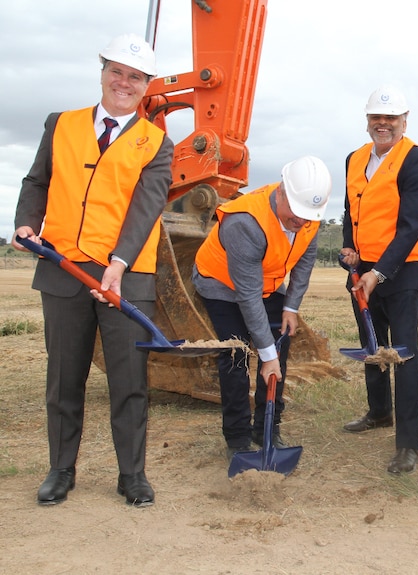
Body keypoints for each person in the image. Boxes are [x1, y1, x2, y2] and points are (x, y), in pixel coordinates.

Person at [12, 34, 173, 506]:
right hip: (62, 267)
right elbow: (36, 180)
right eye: (117, 71)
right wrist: (26, 223)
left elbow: (145, 209)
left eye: (136, 76)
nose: (124, 82)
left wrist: (118, 264)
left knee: (129, 380)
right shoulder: (59, 124)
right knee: (64, 376)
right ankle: (61, 470)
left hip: (127, 275)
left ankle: (132, 475)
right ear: (102, 71)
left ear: (146, 86)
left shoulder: (157, 144)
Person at [193, 156, 332, 461]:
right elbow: (247, 295)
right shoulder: (245, 222)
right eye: (296, 214)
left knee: (278, 344)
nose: (302, 223)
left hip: (266, 282)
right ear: (281, 192)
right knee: (236, 353)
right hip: (221, 284)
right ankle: (238, 436)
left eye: (308, 217)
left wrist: (291, 307)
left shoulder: (309, 214)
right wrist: (265, 356)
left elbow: (304, 263)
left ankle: (267, 427)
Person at [339, 85, 418, 474]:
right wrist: (351, 249)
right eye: (376, 118)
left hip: (404, 269)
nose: (383, 124)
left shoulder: (417, 160)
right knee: (371, 344)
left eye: (390, 118)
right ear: (368, 121)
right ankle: (379, 412)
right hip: (363, 270)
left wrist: (379, 272)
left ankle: (408, 445)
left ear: (404, 121)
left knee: (402, 352)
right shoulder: (354, 158)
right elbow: (351, 208)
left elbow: (412, 225)